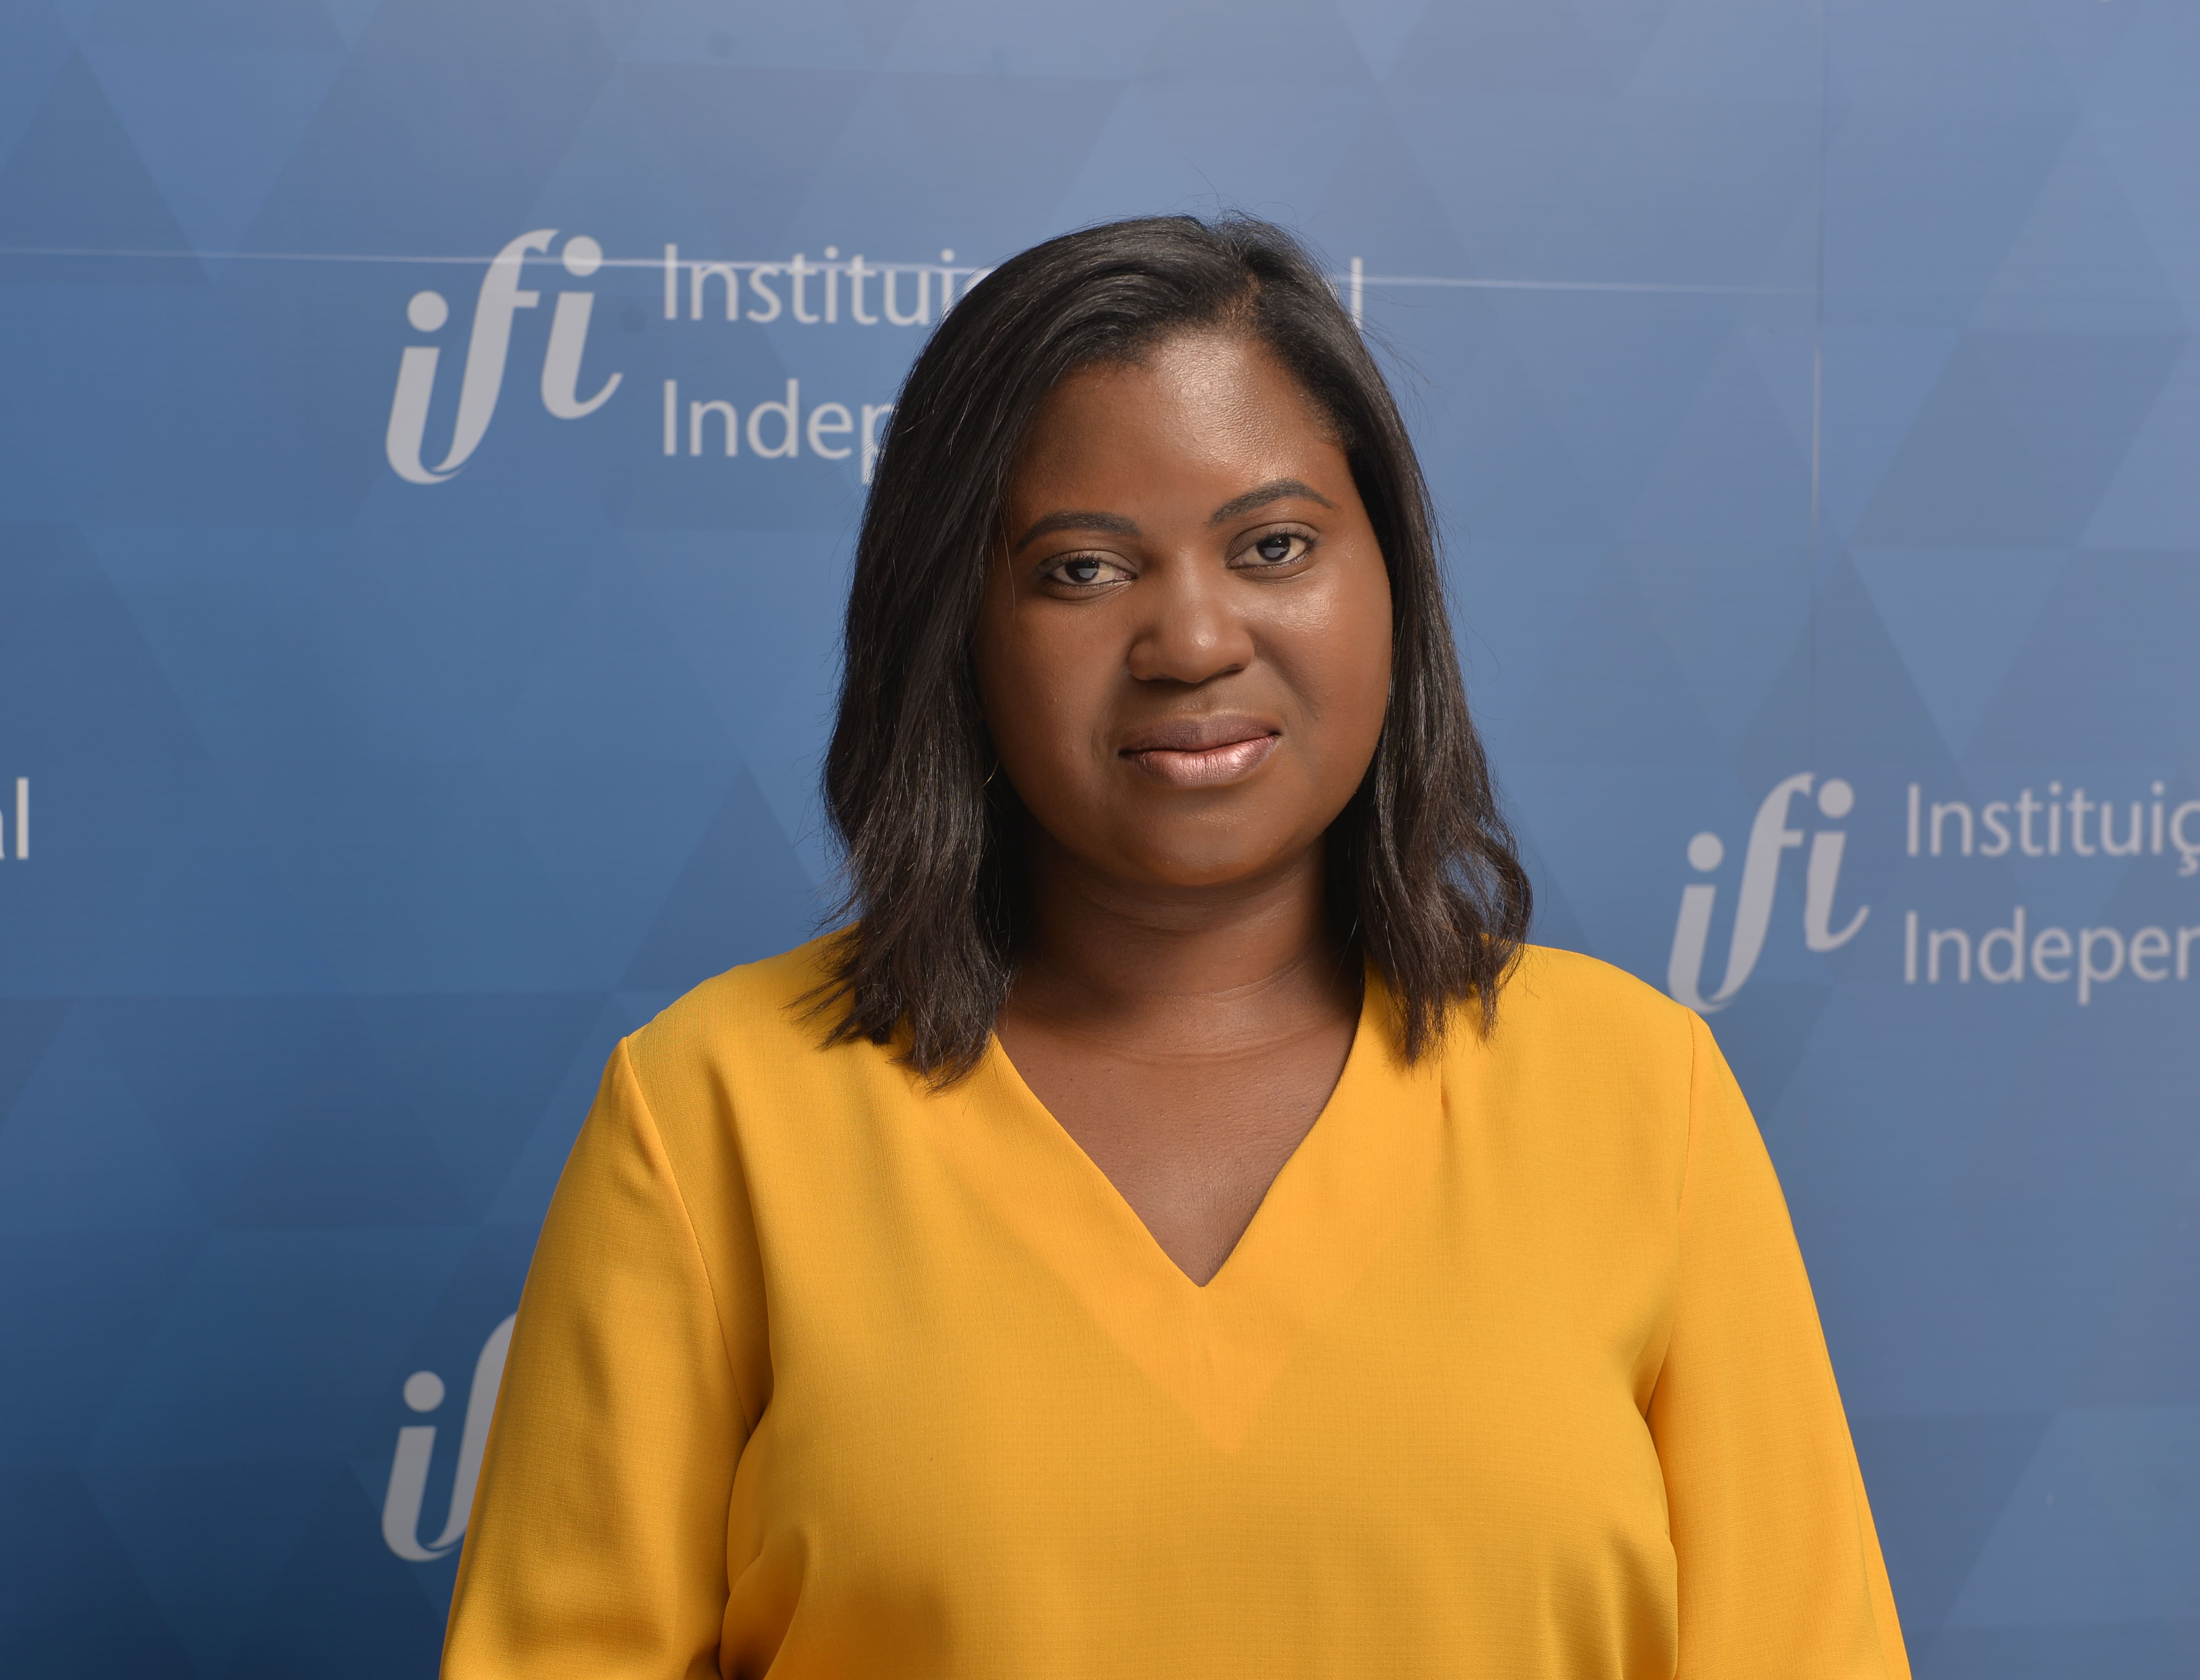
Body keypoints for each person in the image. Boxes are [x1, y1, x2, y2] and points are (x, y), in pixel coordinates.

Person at [438, 216, 1910, 1678]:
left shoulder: (1642, 1097)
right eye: (1082, 570)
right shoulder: (713, 1115)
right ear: (954, 625)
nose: (1194, 641)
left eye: (1274, 546)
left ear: (1392, 583)